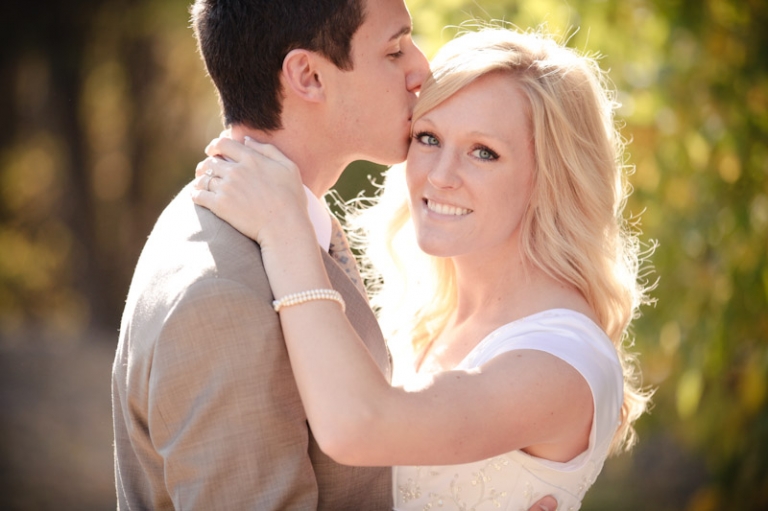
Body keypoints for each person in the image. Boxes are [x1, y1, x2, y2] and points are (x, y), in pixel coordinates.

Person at [191, 26, 654, 510]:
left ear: (552, 179)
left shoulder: (562, 361)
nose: (439, 175)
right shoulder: (419, 314)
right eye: (428, 137)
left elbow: (357, 425)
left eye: (483, 152)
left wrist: (285, 228)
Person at [112, 0, 429, 509]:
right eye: (395, 50)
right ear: (308, 75)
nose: (422, 70)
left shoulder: (282, 223)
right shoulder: (219, 298)